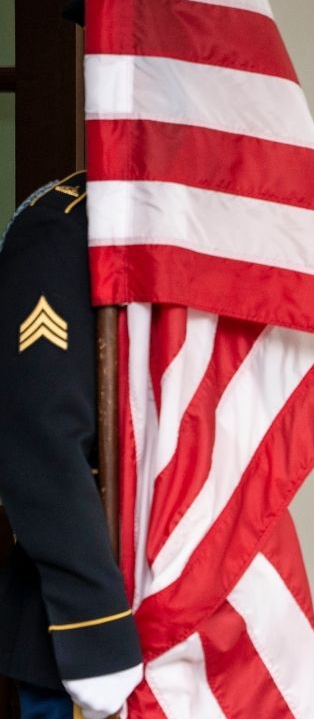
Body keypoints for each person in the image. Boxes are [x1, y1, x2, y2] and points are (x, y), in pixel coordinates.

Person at [0, 171, 143, 719]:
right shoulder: (68, 222)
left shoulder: (217, 224)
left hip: (203, 619)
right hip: (86, 623)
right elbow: (42, 439)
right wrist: (97, 630)